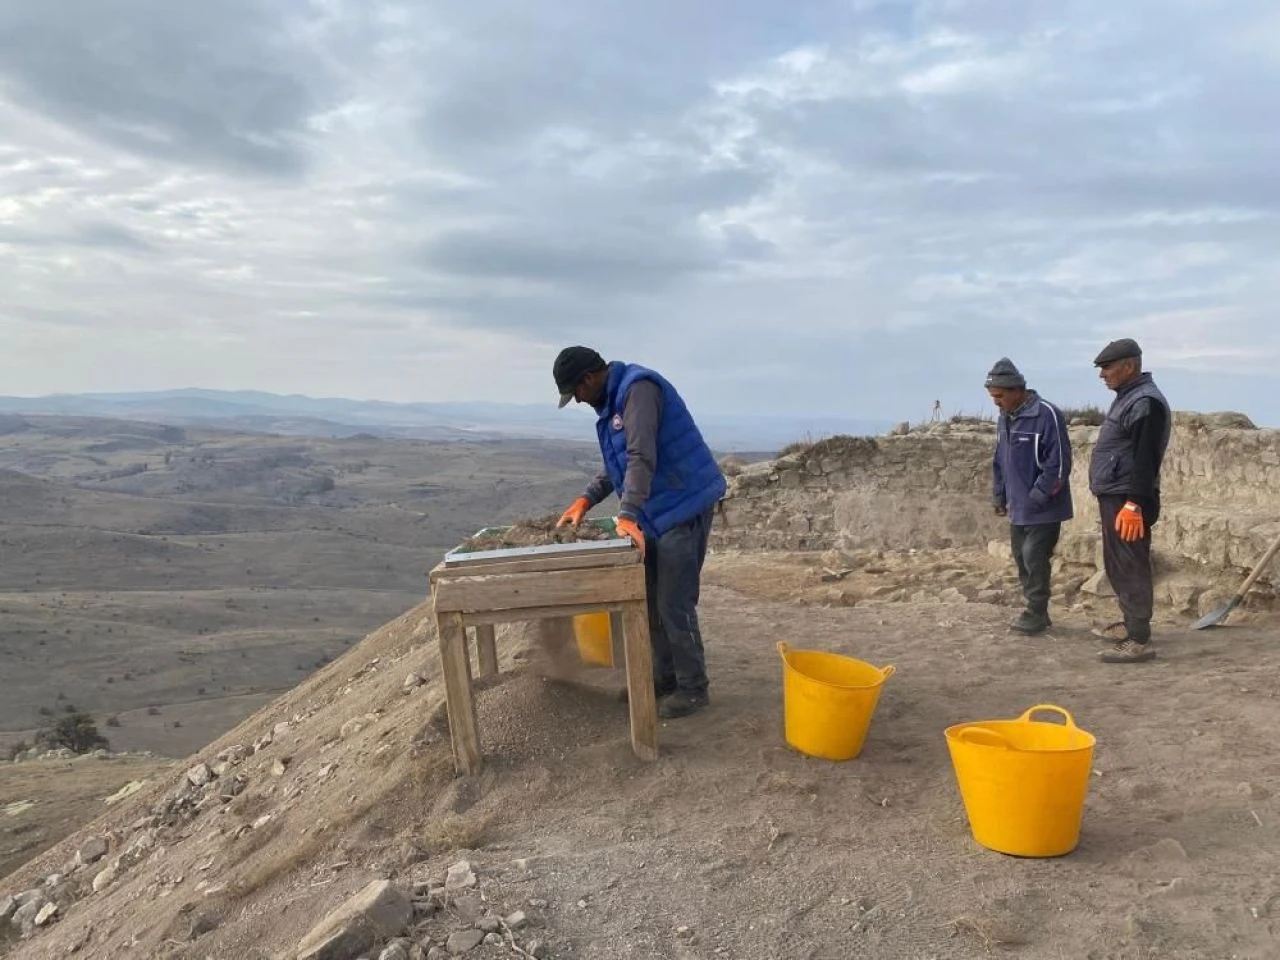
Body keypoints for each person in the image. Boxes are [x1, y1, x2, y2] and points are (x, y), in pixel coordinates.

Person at [552, 346, 727, 718]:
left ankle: (694, 688)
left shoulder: (638, 391)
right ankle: (663, 679)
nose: (580, 402)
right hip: (655, 510)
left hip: (683, 505)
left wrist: (627, 513)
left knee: (674, 603)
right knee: (649, 601)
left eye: (576, 393)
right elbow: (617, 463)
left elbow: (641, 456)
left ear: (588, 379)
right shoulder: (614, 401)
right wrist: (586, 500)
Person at [1088, 337, 1171, 664]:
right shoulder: (1129, 398)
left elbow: (1145, 458)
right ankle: (1131, 623)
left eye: (1107, 367)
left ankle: (1139, 640)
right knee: (1119, 563)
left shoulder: (1144, 403)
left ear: (1129, 366)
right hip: (1118, 494)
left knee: (1130, 564)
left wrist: (1135, 503)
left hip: (1128, 498)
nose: (1102, 374)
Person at [985, 358, 1074, 635]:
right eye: (993, 397)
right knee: (1020, 557)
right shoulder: (1005, 419)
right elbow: (1000, 461)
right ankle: (1037, 610)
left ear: (1016, 390)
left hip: (1044, 506)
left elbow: (1058, 464)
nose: (996, 403)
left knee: (1033, 555)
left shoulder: (1046, 414)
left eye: (999, 397)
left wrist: (1038, 496)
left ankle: (1036, 611)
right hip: (1018, 506)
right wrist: (999, 495)